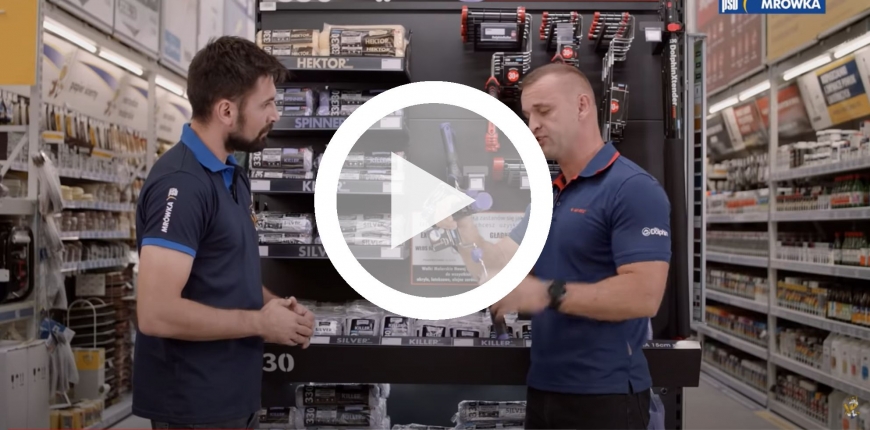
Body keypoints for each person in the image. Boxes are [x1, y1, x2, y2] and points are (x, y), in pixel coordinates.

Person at [438, 63, 672, 429]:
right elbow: (495, 268)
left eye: (544, 111)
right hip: (544, 389)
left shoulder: (632, 189)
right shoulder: (549, 197)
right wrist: (461, 226)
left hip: (606, 397)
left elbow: (643, 296)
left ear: (582, 106)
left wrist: (545, 293)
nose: (532, 125)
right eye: (528, 115)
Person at [133, 36, 315, 429]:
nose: (275, 114)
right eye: (266, 104)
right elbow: (155, 313)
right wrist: (259, 324)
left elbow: (224, 271)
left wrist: (276, 309)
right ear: (226, 111)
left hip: (233, 396)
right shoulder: (181, 185)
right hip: (194, 405)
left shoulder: (231, 174)